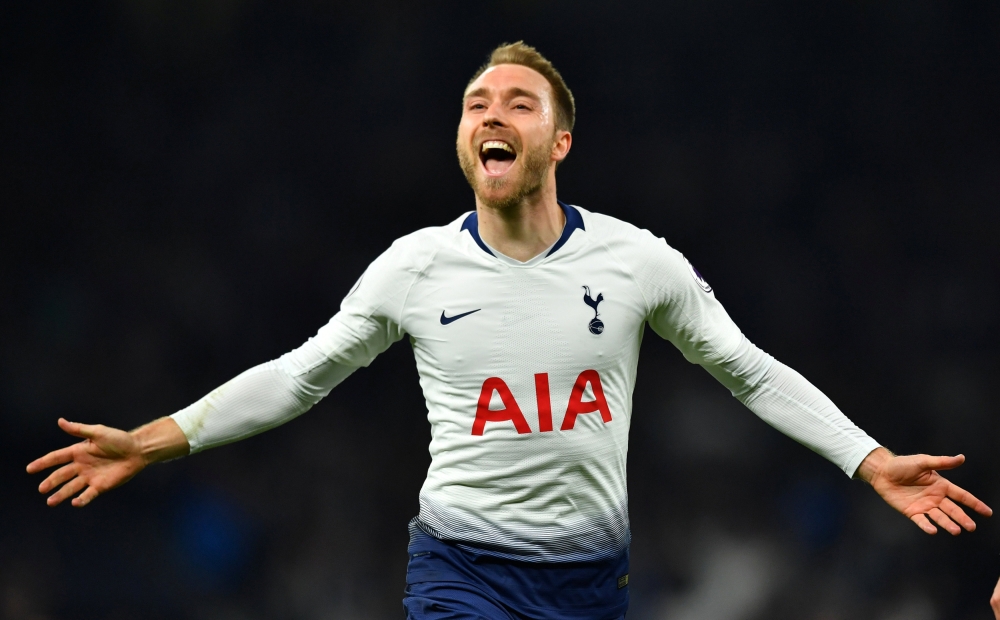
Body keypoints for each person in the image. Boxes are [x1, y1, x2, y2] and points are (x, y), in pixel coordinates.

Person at [27, 42, 991, 620]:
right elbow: (301, 374)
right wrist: (154, 440)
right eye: (475, 105)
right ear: (462, 140)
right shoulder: (413, 268)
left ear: (558, 143)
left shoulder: (637, 263)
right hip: (459, 570)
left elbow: (747, 371)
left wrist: (868, 460)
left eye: (517, 104)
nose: (491, 114)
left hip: (589, 585)